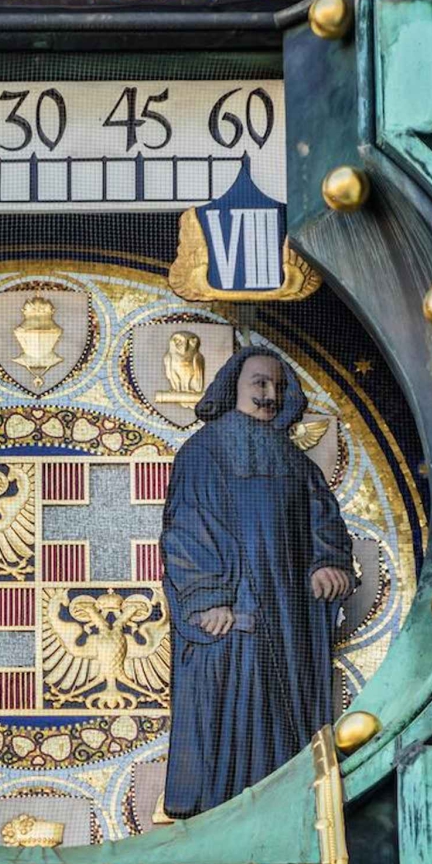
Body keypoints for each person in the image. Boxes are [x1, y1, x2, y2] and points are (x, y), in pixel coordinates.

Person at [160, 345, 354, 817]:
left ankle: (284, 809)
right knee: (227, 710)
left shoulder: (295, 462)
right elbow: (187, 528)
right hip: (232, 616)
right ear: (234, 388)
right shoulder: (203, 452)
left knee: (285, 710)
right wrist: (208, 598)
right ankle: (218, 818)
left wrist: (327, 564)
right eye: (260, 383)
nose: (270, 394)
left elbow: (323, 522)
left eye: (278, 386)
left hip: (287, 616)